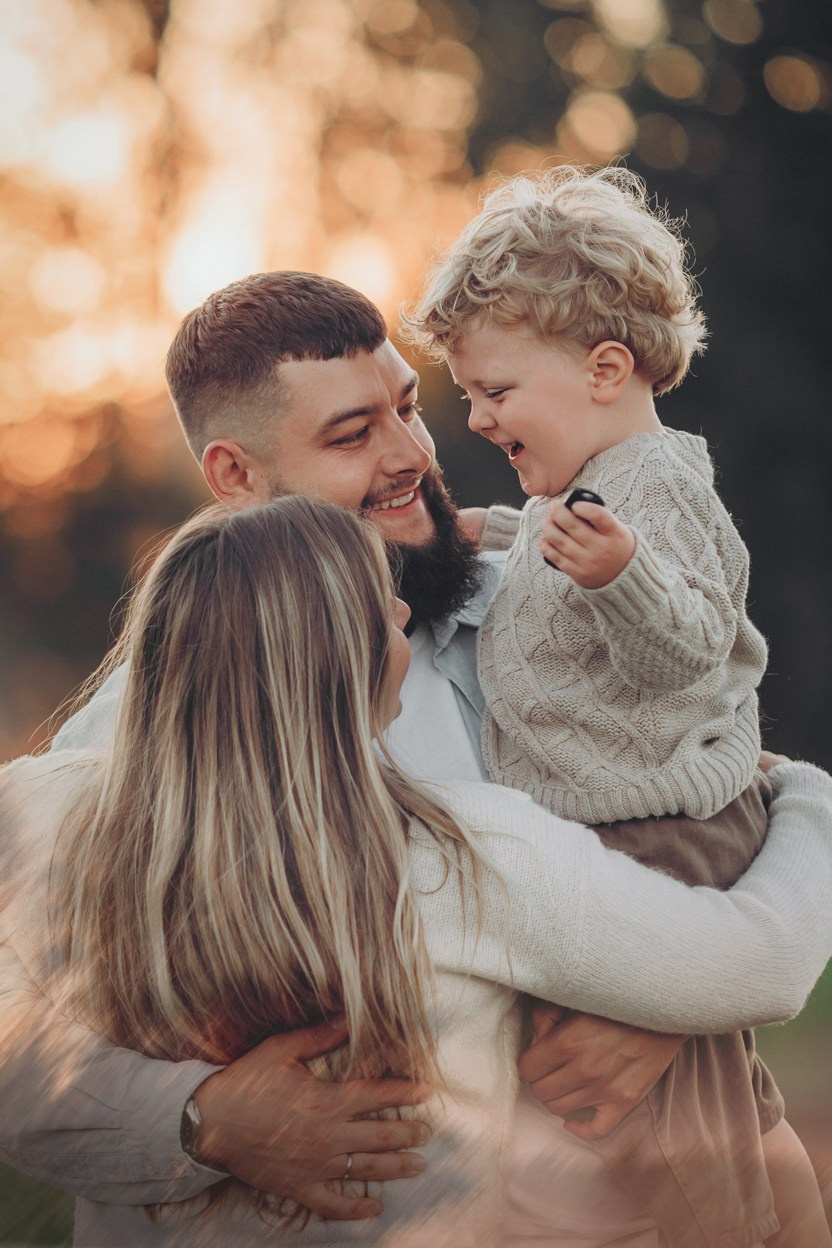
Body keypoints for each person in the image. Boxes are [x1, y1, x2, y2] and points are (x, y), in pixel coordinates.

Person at [0, 272, 819, 1233]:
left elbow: (722, 800)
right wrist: (199, 1117)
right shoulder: (134, 741)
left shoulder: (563, 601)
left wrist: (670, 1011)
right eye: (352, 435)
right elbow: (22, 1034)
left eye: (407, 408)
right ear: (234, 477)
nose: (411, 456)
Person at [403, 165, 831, 1246]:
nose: (476, 415)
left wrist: (623, 577)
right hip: (627, 826)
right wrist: (499, 534)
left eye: (496, 390)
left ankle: (727, 1229)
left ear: (603, 369)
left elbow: (695, 649)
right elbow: (555, 557)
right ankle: (777, 1213)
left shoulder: (659, 489)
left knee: (659, 1111)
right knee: (711, 1089)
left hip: (655, 832)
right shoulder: (590, 493)